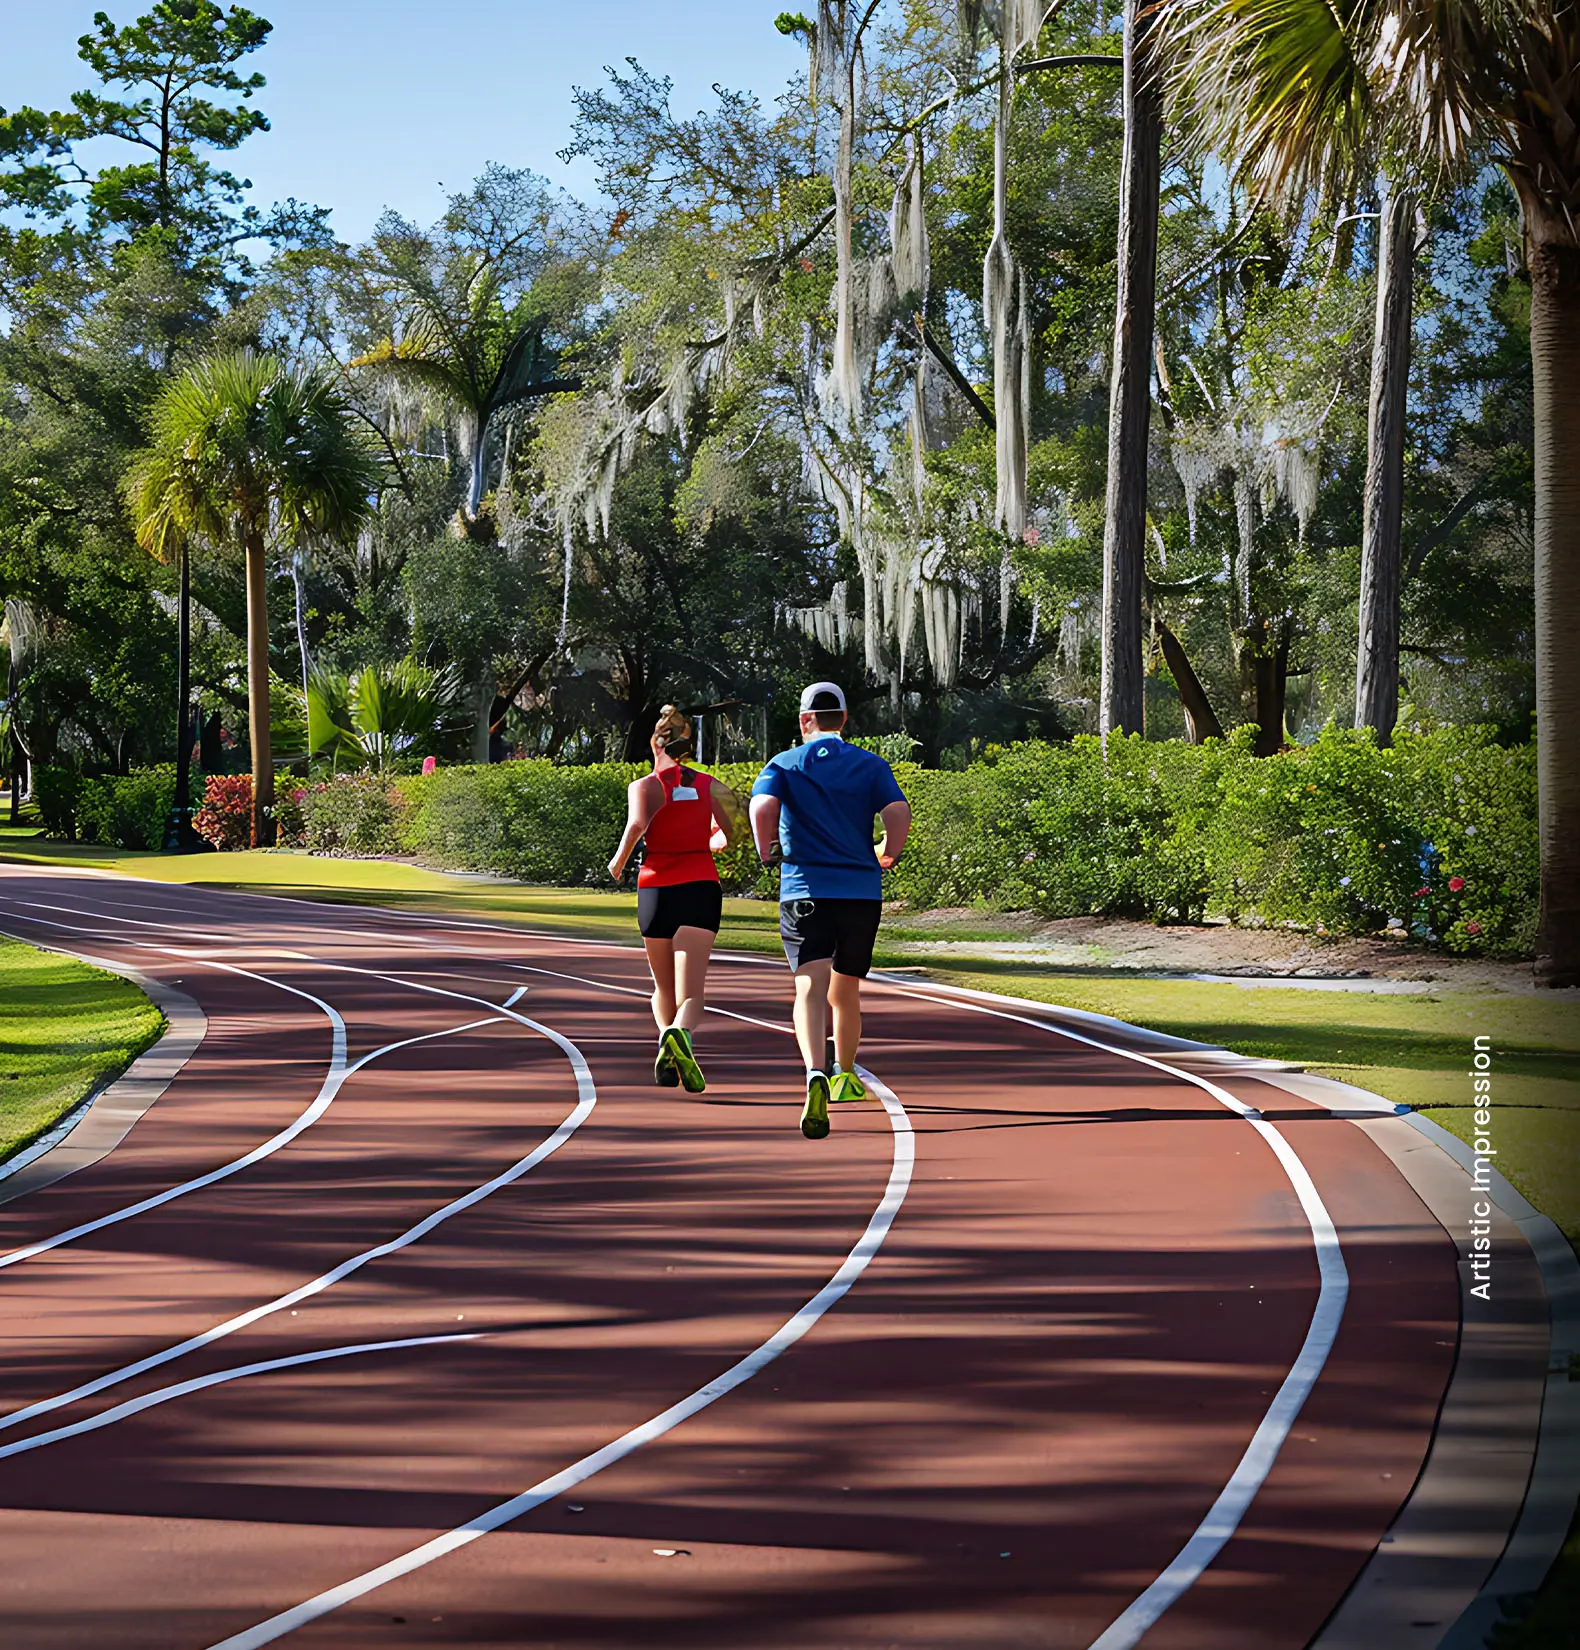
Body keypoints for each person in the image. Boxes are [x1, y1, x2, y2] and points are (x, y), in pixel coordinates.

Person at [750, 682, 911, 1139]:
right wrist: (889, 853)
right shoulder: (870, 764)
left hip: (804, 890)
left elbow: (761, 805)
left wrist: (768, 850)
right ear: (844, 719)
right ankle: (845, 1073)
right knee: (847, 991)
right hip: (860, 893)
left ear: (805, 721)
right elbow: (898, 810)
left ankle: (814, 1074)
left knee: (809, 989)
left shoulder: (784, 763)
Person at [608, 705, 742, 1094]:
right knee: (692, 994)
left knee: (663, 989)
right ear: (690, 746)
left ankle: (667, 1051)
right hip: (699, 885)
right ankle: (679, 1034)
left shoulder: (644, 786)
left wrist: (617, 863)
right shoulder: (709, 785)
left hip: (655, 889)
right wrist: (710, 841)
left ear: (656, 743)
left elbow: (637, 824)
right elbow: (730, 832)